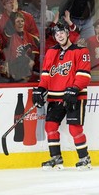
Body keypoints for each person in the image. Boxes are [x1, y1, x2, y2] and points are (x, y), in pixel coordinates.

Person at [32, 22, 92, 170]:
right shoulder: (51, 52)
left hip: (75, 96)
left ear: (67, 33)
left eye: (62, 32)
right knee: (50, 126)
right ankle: (56, 158)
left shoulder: (81, 51)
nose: (59, 35)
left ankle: (85, 159)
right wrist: (40, 89)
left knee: (74, 128)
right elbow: (46, 75)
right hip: (55, 97)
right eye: (56, 33)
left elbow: (84, 74)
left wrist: (74, 88)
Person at [5, 11, 40, 82]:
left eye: (22, 21)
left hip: (28, 73)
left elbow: (35, 53)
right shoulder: (9, 37)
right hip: (14, 74)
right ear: (13, 24)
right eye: (18, 21)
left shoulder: (30, 37)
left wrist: (32, 61)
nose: (20, 23)